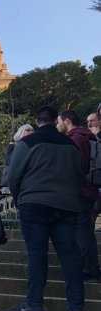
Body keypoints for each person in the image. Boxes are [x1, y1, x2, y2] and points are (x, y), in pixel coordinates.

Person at [5, 105, 85, 311]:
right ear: (55, 120)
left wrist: (20, 197)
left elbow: (12, 175)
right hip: (67, 205)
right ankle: (76, 307)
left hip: (34, 203)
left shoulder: (28, 142)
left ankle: (34, 304)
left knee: (37, 255)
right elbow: (79, 174)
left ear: (37, 120)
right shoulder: (71, 144)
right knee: (70, 255)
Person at [56, 110, 101, 283]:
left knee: (82, 232)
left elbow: (74, 167)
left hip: (80, 191)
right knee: (85, 230)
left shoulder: (75, 139)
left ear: (67, 121)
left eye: (59, 122)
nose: (57, 126)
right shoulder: (86, 137)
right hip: (89, 190)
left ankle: (89, 270)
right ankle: (89, 269)